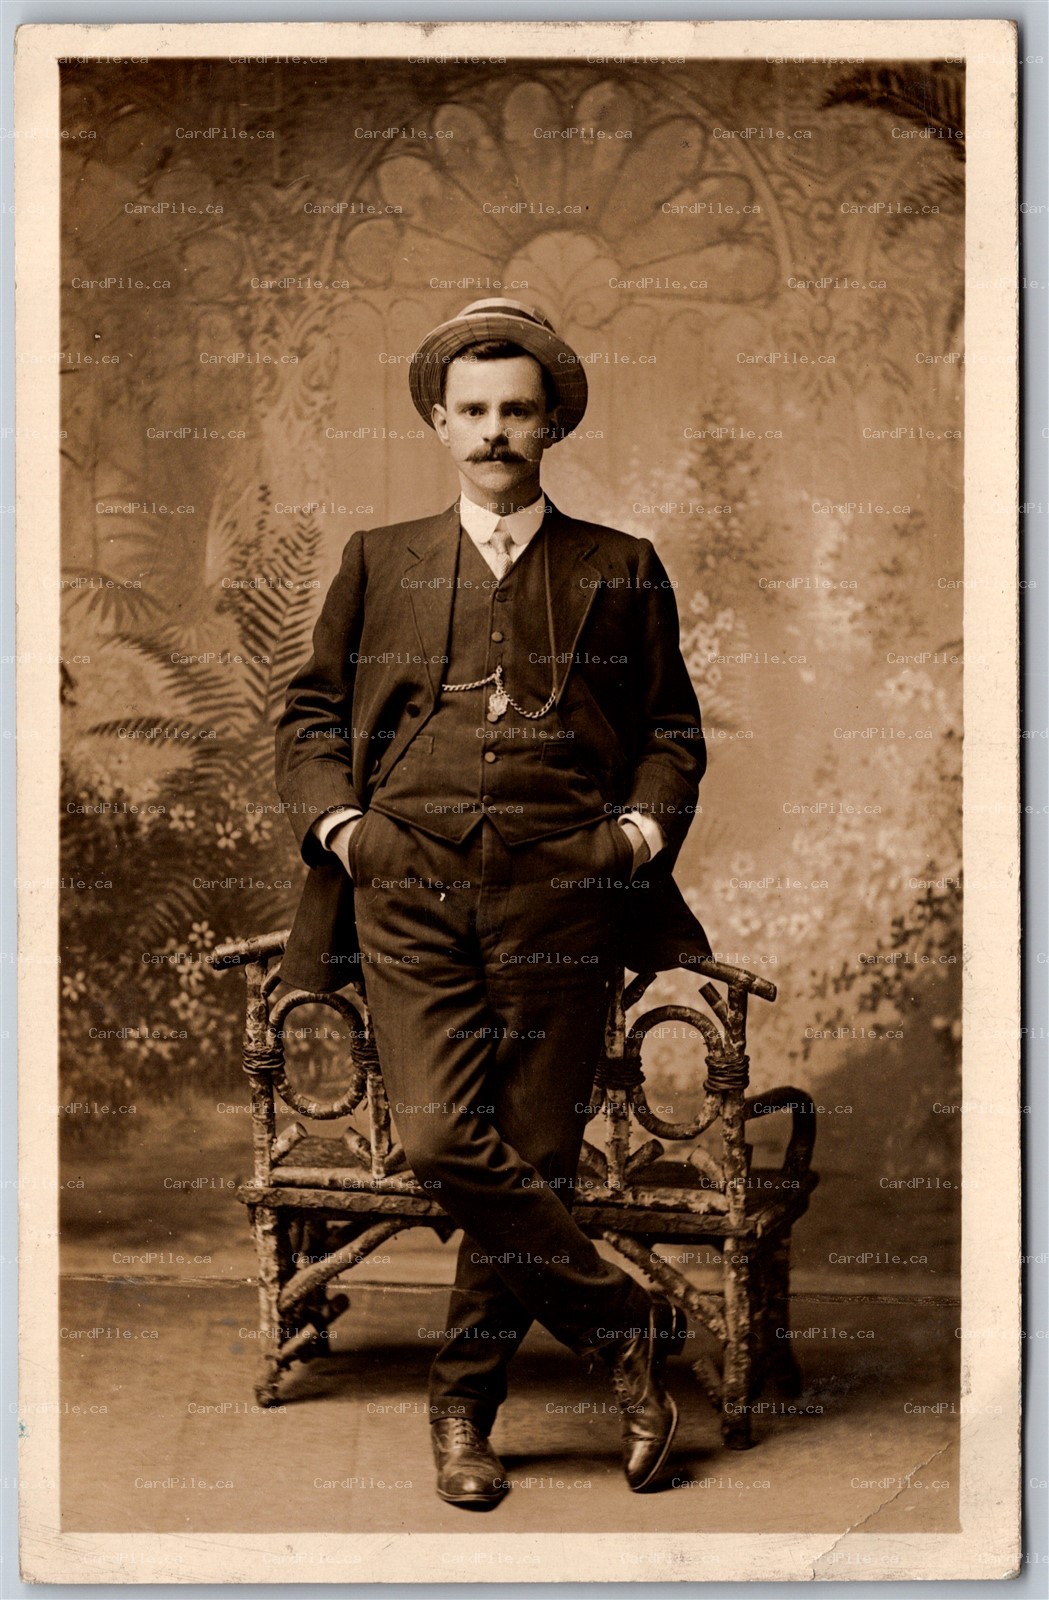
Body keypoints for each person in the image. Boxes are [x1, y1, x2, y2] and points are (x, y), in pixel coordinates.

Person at [275, 298, 713, 1506]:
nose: (492, 432)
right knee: (437, 1139)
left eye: (516, 410)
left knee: (532, 1153)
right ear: (438, 420)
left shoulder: (618, 565)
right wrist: (344, 829)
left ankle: (462, 1407)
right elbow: (309, 717)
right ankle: (621, 1324)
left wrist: (630, 833)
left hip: (561, 896)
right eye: (471, 411)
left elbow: (671, 732)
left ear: (550, 423)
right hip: (406, 884)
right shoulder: (380, 557)